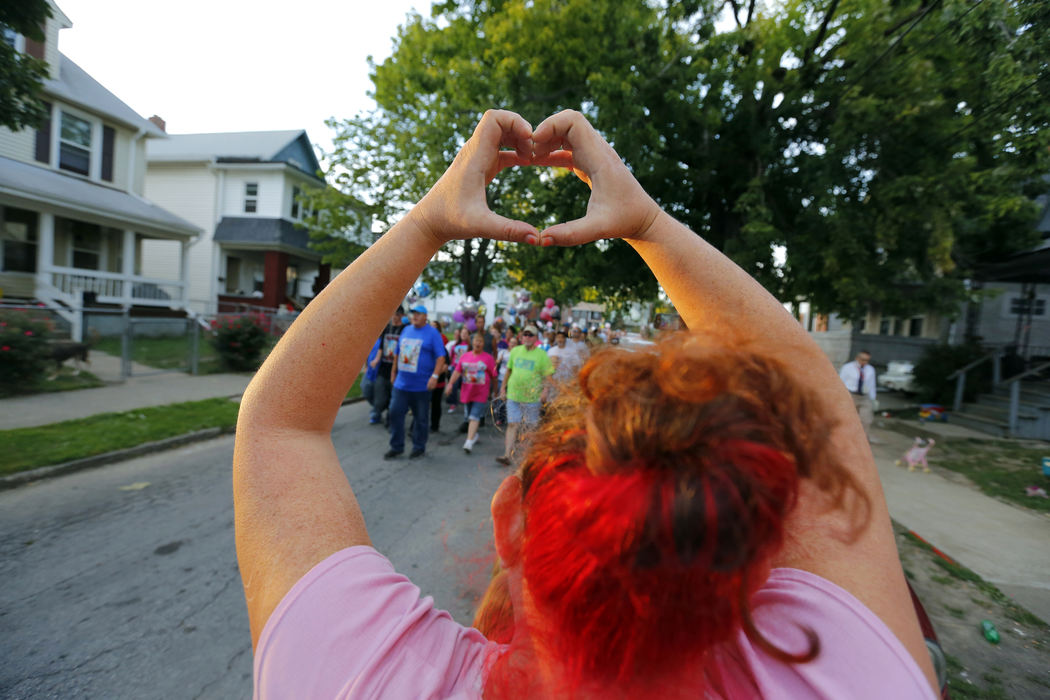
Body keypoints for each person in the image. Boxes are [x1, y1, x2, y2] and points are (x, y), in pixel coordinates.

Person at [234, 109, 938, 699]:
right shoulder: (840, 673)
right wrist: (650, 224)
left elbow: (279, 425)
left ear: (512, 522)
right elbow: (814, 401)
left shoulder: (363, 678)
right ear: (753, 572)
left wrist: (429, 222)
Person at [385, 303, 446, 459]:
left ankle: (419, 447)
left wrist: (434, 376)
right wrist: (393, 372)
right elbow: (397, 353)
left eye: (418, 314)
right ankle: (397, 446)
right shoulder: (406, 330)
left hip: (421, 386)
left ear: (425, 317)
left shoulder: (433, 334)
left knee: (421, 418)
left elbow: (441, 357)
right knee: (394, 413)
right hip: (401, 384)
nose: (415, 316)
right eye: (413, 313)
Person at [496, 323, 554, 466]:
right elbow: (508, 371)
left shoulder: (542, 355)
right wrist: (503, 388)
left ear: (536, 338)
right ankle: (507, 455)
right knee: (512, 424)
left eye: (530, 335)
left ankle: (528, 458)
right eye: (525, 334)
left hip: (532, 398)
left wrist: (545, 391)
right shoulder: (515, 351)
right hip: (514, 395)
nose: (527, 337)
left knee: (530, 427)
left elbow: (548, 376)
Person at [445, 331, 498, 453]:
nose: (478, 343)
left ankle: (468, 442)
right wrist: (450, 384)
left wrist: (495, 391)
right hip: (467, 391)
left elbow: (494, 376)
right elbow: (457, 371)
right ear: (472, 343)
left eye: (480, 341)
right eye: (476, 341)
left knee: (474, 416)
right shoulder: (465, 356)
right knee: (470, 416)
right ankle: (474, 436)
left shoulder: (488, 358)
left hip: (481, 392)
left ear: (483, 344)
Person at [370, 306, 405, 425]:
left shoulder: (404, 329)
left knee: (393, 396)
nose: (394, 317)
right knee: (379, 393)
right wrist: (376, 359)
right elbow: (381, 347)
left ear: (401, 315)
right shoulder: (387, 328)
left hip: (396, 370)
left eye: (396, 314)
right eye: (393, 314)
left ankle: (390, 418)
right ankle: (375, 414)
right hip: (383, 367)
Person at [839, 350, 878, 442]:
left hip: (864, 397)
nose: (865, 362)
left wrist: (873, 399)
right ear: (857, 358)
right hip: (851, 395)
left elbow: (872, 384)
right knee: (848, 418)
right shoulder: (847, 367)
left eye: (867, 360)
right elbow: (841, 381)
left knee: (866, 419)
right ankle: (845, 438)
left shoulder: (870, 369)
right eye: (863, 359)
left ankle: (862, 441)